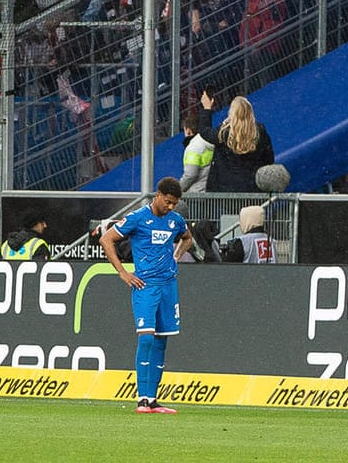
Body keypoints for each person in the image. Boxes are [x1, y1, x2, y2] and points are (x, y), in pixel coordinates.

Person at [101, 176, 193, 414]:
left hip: (168, 286)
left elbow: (187, 238)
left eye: (174, 203)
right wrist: (123, 272)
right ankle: (142, 398)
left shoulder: (175, 221)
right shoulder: (138, 218)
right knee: (146, 338)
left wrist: (176, 256)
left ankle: (153, 400)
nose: (171, 207)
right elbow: (106, 239)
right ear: (158, 196)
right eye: (168, 202)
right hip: (145, 285)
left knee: (162, 339)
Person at [197, 94, 276, 192]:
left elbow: (205, 131)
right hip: (252, 187)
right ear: (250, 113)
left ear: (232, 113)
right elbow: (269, 159)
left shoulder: (225, 133)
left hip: (225, 188)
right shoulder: (260, 133)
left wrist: (207, 109)